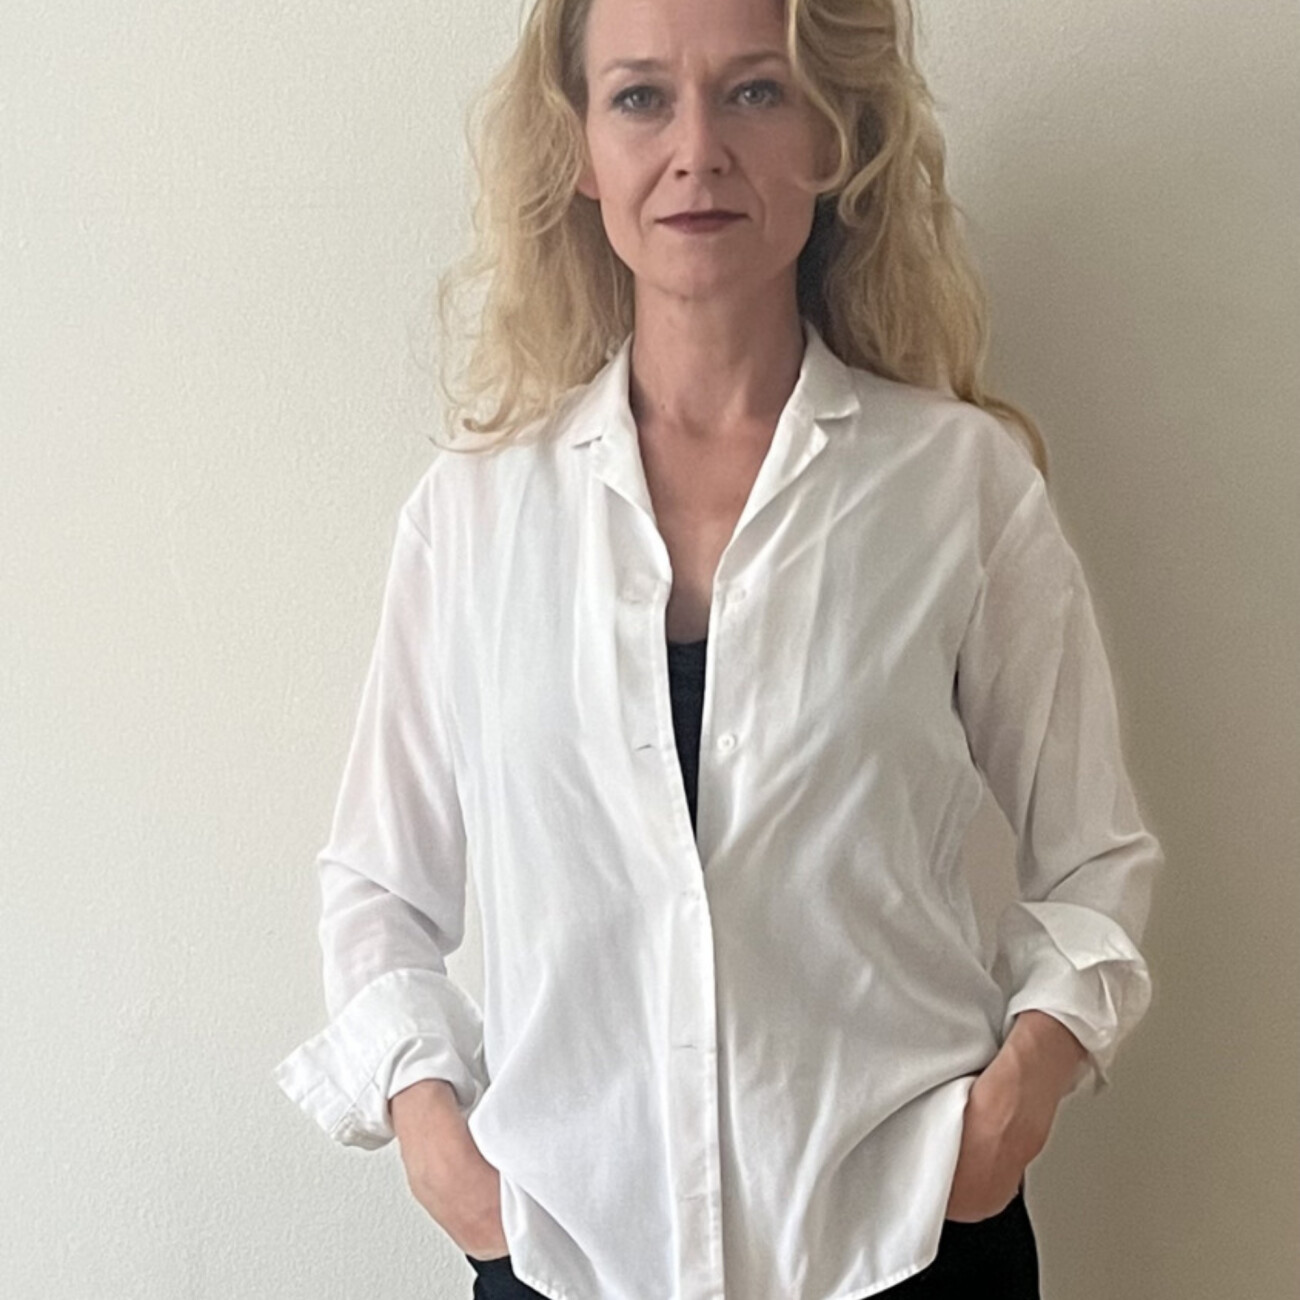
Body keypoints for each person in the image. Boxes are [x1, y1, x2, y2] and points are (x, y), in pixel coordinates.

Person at [272, 0, 1166, 1296]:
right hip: (570, 1255)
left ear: (830, 136)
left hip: (904, 1244)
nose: (697, 150)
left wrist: (1011, 1108)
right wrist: (439, 1148)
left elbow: (1096, 856)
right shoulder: (476, 518)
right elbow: (376, 889)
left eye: (755, 91)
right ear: (582, 147)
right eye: (641, 97)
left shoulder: (956, 488)